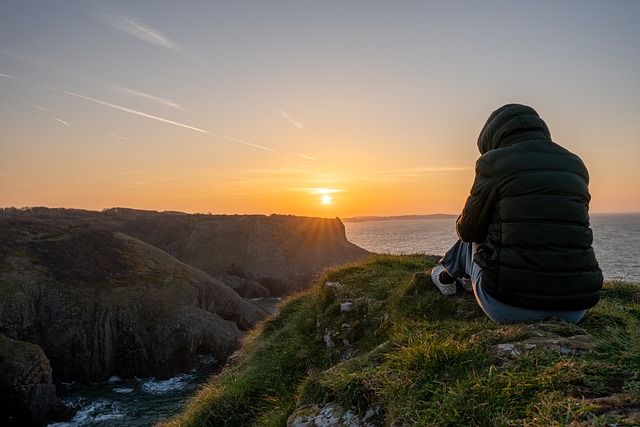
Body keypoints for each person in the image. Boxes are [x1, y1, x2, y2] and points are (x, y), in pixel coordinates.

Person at [431, 103, 603, 324]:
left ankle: (446, 277)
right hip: (575, 309)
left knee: (472, 234)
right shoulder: (575, 164)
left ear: (492, 136)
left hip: (508, 307)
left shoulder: (493, 162)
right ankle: (454, 274)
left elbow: (468, 230)